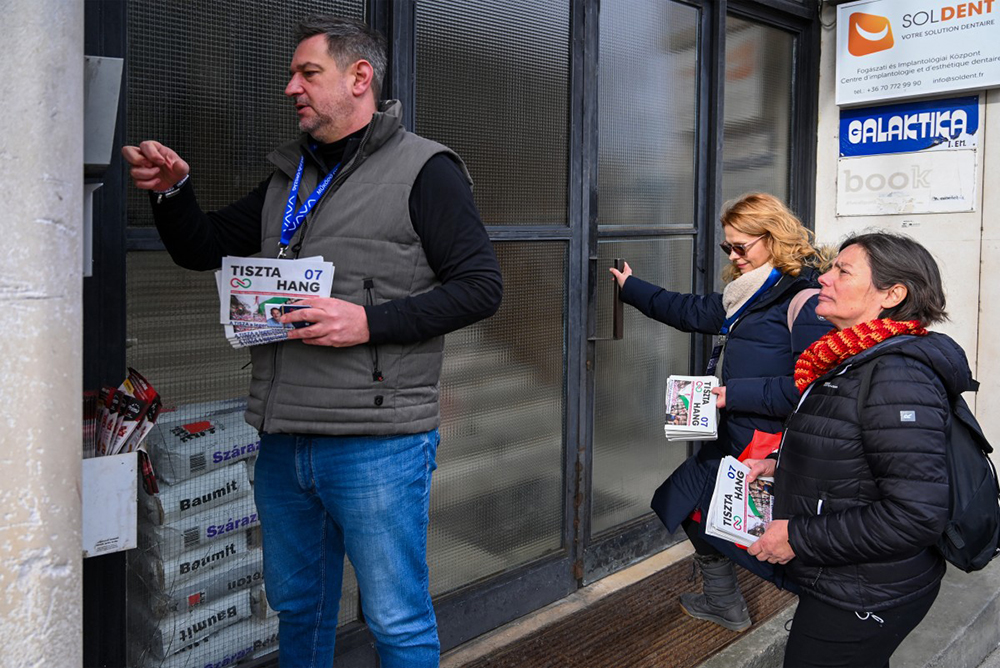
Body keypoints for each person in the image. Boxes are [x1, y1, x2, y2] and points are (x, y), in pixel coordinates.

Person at [122, 15, 502, 668]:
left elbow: (481, 287)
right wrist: (174, 193)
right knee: (298, 607)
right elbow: (203, 248)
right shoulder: (286, 181)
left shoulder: (426, 170)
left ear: (360, 78)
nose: (290, 87)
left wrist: (366, 322)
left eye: (307, 72)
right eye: (291, 74)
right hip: (283, 439)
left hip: (377, 444)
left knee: (396, 618)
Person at [746, 232, 972, 668]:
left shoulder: (897, 375)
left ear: (892, 294)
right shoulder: (850, 358)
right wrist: (782, 466)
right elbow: (856, 449)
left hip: (866, 592)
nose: (823, 279)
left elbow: (916, 514)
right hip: (848, 579)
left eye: (841, 271)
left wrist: (797, 535)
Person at [609, 192, 831, 632]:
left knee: (726, 523)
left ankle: (823, 605)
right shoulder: (747, 294)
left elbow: (812, 390)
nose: (733, 255)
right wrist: (631, 289)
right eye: (726, 246)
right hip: (734, 435)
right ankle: (725, 601)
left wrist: (733, 395)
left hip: (762, 443)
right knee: (688, 507)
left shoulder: (804, 302)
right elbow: (690, 309)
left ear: (773, 238)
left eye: (741, 246)